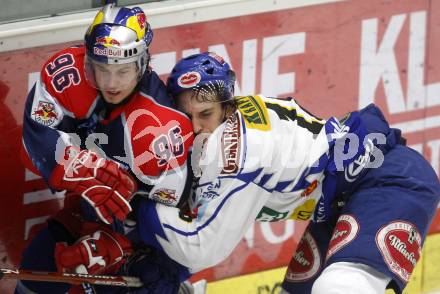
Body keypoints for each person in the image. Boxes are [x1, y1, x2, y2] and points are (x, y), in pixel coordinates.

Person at [135, 52, 440, 294]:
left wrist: (135, 206)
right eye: (187, 117)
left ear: (228, 108)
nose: (197, 127)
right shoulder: (228, 128)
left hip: (389, 182)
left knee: (339, 288)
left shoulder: (235, 150)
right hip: (342, 203)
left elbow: (201, 247)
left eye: (205, 115)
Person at [18, 4, 194, 293]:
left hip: (140, 238)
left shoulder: (160, 125)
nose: (111, 83)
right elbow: (34, 139)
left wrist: (120, 241)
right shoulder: (66, 74)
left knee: (138, 284)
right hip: (86, 212)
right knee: (37, 269)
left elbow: (180, 210)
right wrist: (71, 164)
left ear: (142, 64)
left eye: (123, 71)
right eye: (100, 69)